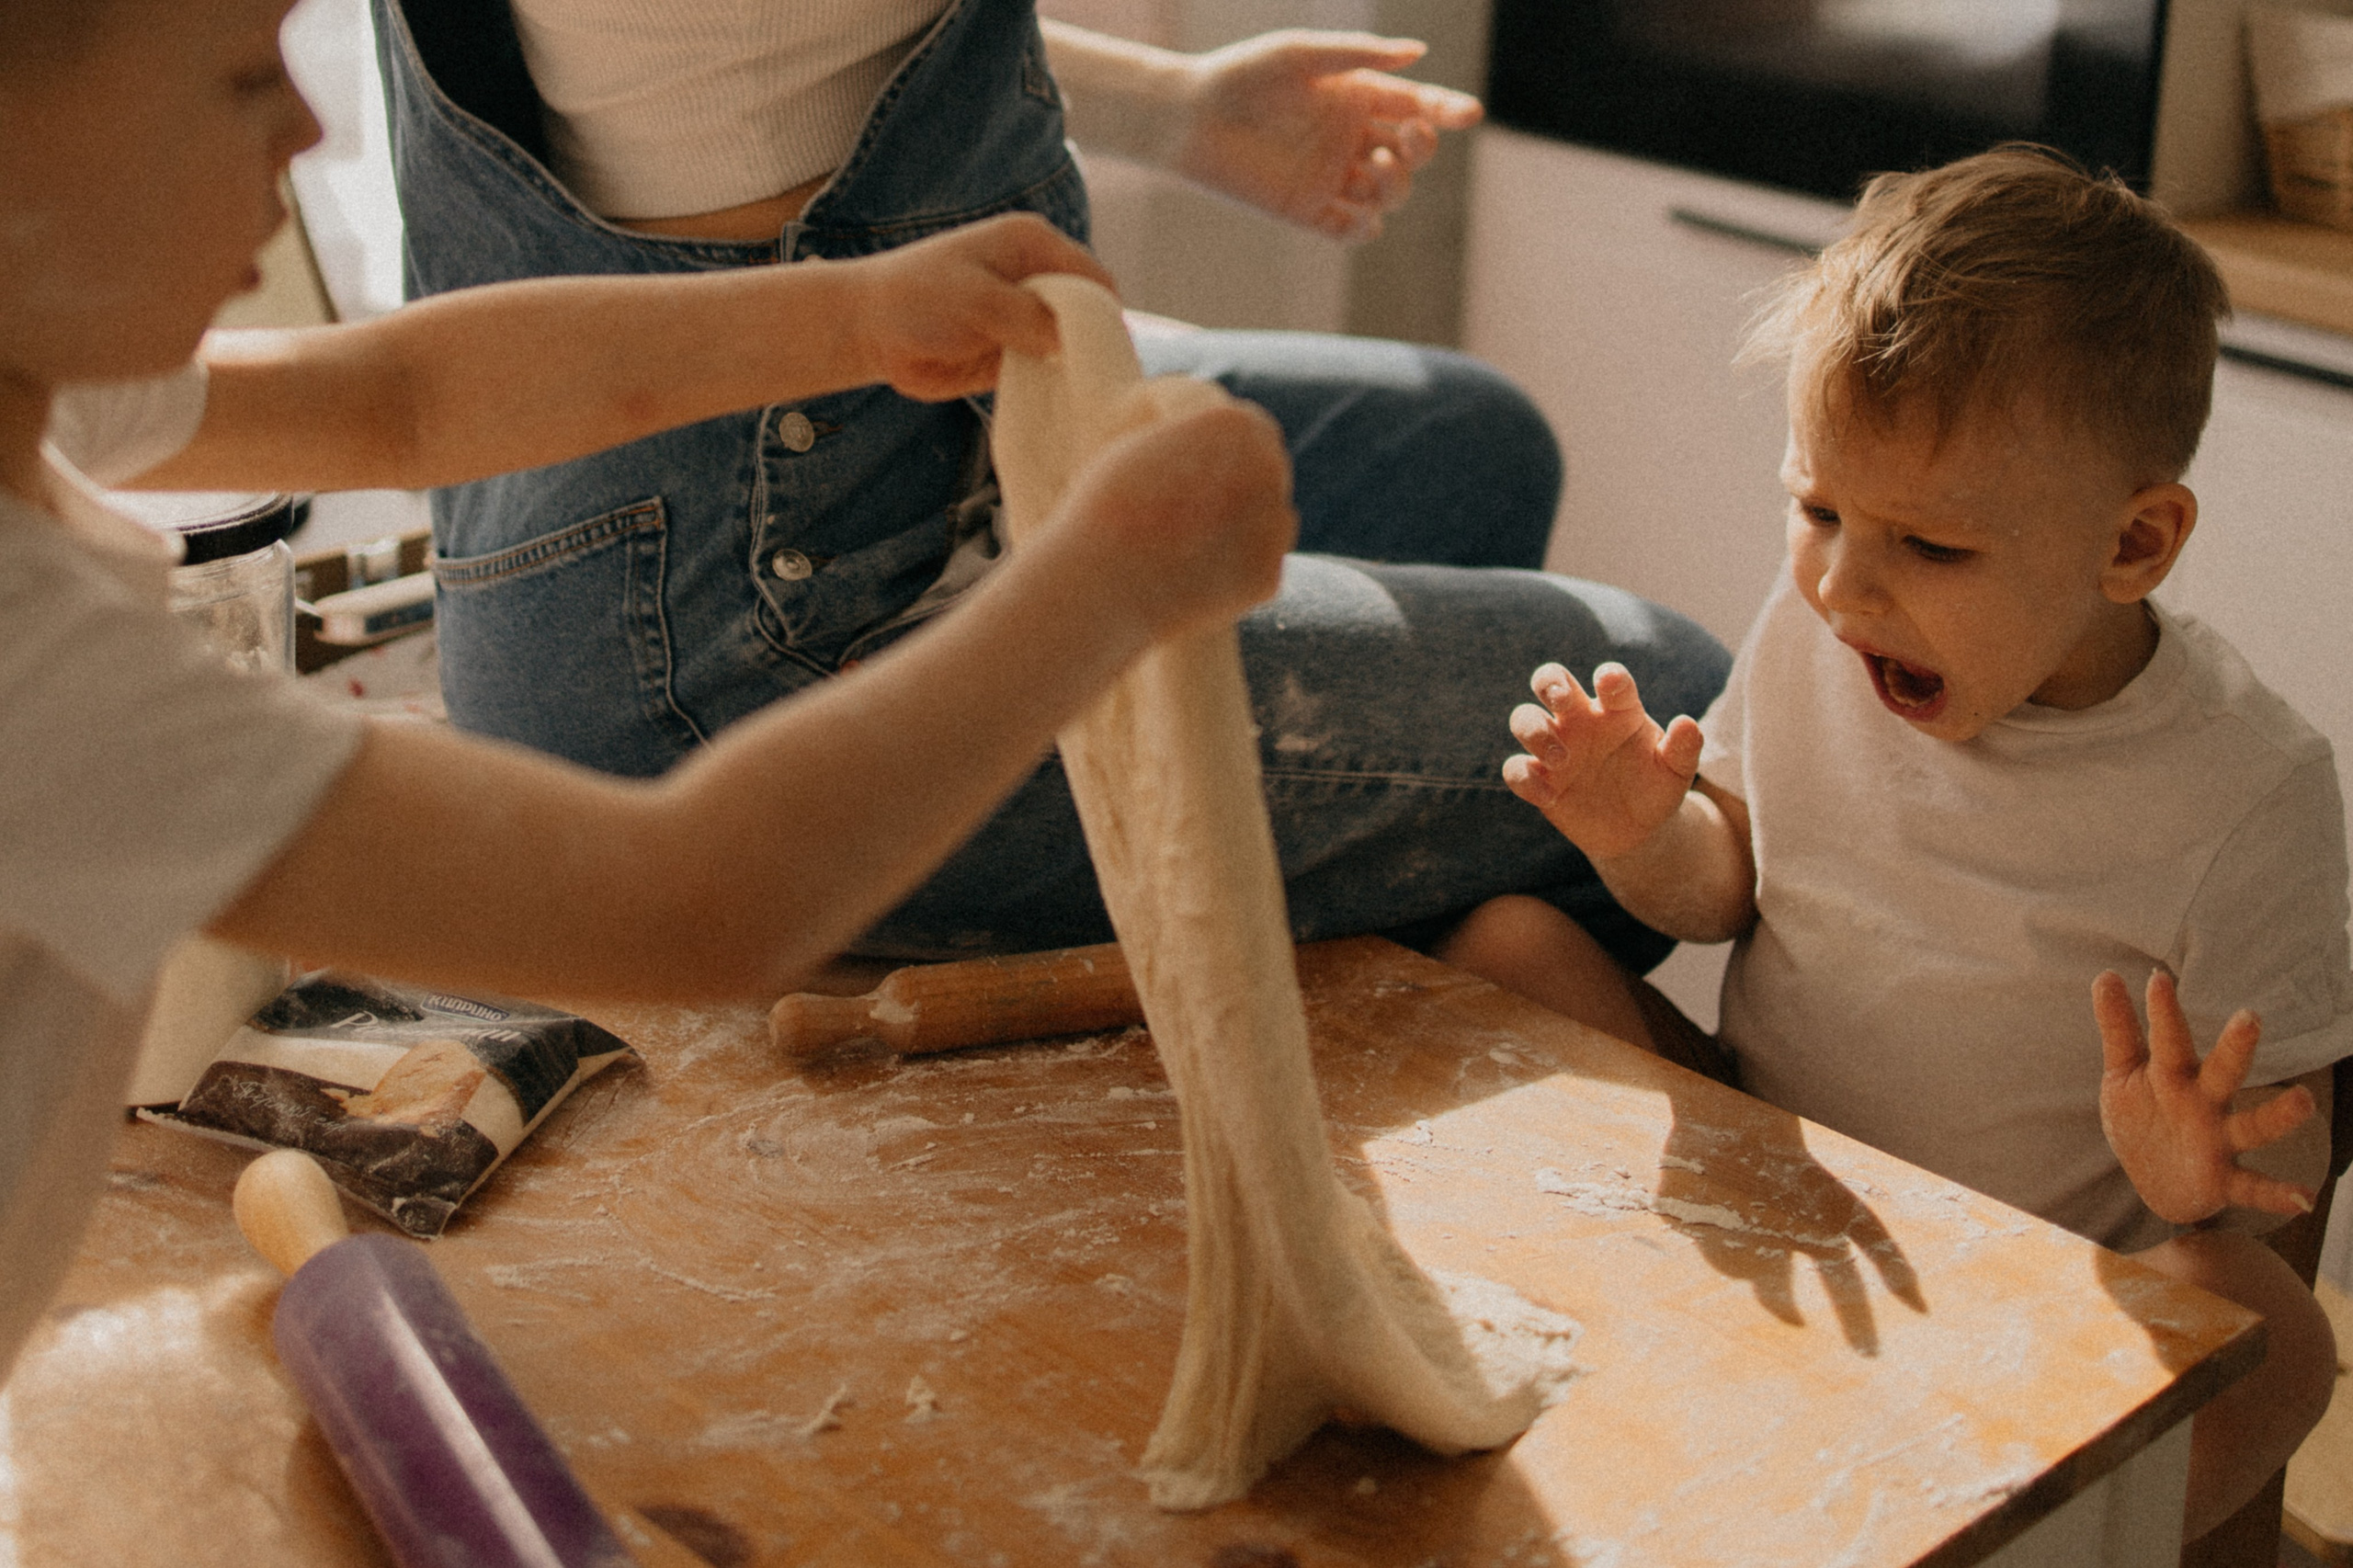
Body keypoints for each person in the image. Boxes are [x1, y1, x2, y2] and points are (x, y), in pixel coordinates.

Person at [0, 0, 1300, 1381]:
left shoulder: (42, 374)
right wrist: (1104, 588)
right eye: (245, 77)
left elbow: (404, 398)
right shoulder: (45, 670)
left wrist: (848, 312)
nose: (314, 125)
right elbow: (689, 898)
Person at [371, 0, 1733, 969]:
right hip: (733, 641)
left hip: (670, 524)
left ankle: (1298, 924)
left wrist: (1181, 112)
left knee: (1464, 447)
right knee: (1665, 697)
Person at [1440, 146, 2347, 1543]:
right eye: (1817, 510)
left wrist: (2194, 1187)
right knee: (1511, 943)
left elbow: (2276, 1187)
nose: (1843, 585)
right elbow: (1726, 877)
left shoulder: (2248, 791)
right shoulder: (1827, 627)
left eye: (1929, 546)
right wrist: (1645, 834)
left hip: (2046, 1294)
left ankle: (2023, 1535)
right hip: (1780, 1179)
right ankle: (1611, 1359)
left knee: (2280, 1333)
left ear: (2135, 543)